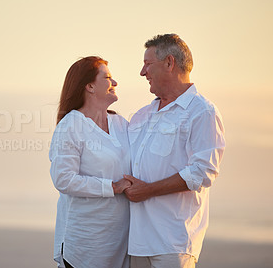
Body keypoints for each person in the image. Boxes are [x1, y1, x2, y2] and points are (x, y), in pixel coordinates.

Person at [124, 34, 225, 268]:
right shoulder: (141, 115)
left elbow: (203, 172)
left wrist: (148, 190)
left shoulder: (202, 112)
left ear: (169, 63)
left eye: (148, 64)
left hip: (173, 243)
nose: (142, 72)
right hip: (136, 242)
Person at [49, 56, 131, 268]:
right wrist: (111, 187)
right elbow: (64, 179)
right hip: (85, 246)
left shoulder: (121, 124)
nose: (115, 83)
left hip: (119, 245)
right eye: (108, 77)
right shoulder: (71, 125)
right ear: (90, 86)